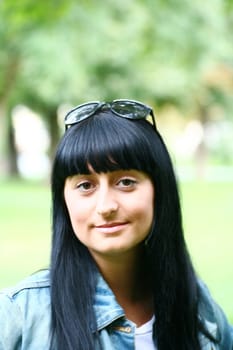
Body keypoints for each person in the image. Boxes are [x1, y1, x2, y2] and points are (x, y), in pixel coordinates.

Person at [0, 99, 232, 350]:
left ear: (160, 190)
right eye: (85, 186)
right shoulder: (20, 316)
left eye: (125, 182)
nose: (106, 206)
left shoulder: (196, 305)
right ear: (63, 201)